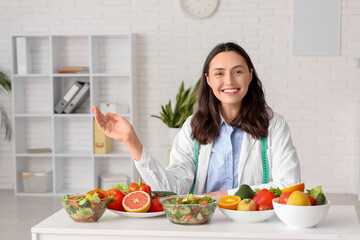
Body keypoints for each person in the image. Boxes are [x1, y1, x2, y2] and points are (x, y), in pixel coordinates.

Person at [91, 42, 300, 199]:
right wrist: (132, 143)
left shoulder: (274, 125)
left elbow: (289, 184)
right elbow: (172, 188)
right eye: (219, 73)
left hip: (256, 225)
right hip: (204, 224)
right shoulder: (193, 127)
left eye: (238, 72)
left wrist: (223, 195)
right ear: (208, 79)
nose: (229, 81)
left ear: (250, 75)